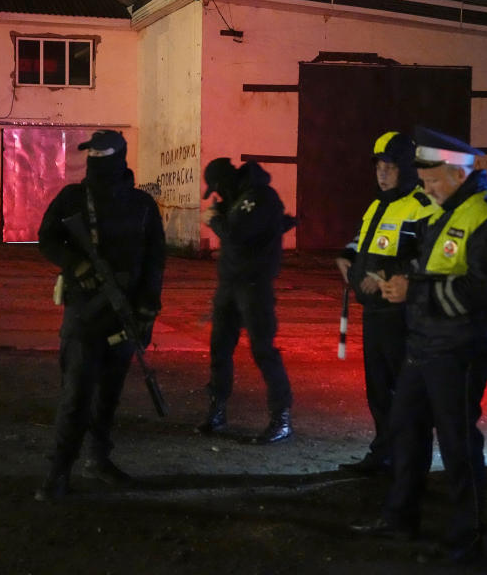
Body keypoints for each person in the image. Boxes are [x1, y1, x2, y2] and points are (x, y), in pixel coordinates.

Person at [351, 127, 487, 564]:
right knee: (404, 428)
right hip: (426, 342)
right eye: (423, 179)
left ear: (456, 171)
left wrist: (415, 292)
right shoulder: (447, 209)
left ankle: (466, 537)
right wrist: (398, 279)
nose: (425, 188)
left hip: (462, 347)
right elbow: (430, 264)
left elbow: (486, 289)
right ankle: (399, 518)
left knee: (457, 442)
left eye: (431, 180)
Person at [34, 129, 166, 501]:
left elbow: (155, 260)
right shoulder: (74, 199)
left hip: (124, 316)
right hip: (84, 316)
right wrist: (76, 265)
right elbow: (46, 239)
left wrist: (146, 309)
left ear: (120, 158)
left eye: (102, 154)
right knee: (76, 396)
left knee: (109, 394)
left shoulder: (142, 206)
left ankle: (98, 459)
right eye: (91, 154)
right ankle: (58, 471)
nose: (95, 161)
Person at [335, 132, 438, 474]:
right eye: (379, 165)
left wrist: (383, 273)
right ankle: (384, 453)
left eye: (390, 167)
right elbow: (361, 240)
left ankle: (409, 461)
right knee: (378, 390)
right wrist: (346, 256)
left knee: (406, 391)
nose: (382, 173)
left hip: (401, 315)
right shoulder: (379, 203)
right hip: (375, 313)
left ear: (406, 169)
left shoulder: (421, 207)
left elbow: (428, 258)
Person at [196, 157, 296, 444]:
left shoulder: (259, 197)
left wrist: (215, 219)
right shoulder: (241, 198)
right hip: (231, 285)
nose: (217, 196)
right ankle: (217, 409)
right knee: (220, 349)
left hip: (254, 287)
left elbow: (236, 233)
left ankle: (281, 418)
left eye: (216, 189)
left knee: (263, 350)